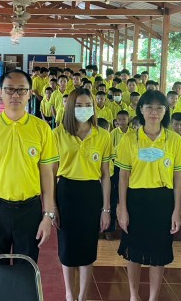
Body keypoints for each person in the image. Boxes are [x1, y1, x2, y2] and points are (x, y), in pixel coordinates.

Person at [0, 70, 59, 264]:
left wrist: (48, 215)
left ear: (29, 93)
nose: (15, 95)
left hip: (30, 210)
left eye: (21, 90)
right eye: (9, 89)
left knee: (26, 269)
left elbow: (47, 175)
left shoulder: (42, 129)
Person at [115, 89, 181, 301]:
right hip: (136, 201)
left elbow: (179, 179)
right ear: (141, 110)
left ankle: (153, 297)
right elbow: (123, 178)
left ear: (166, 111)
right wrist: (122, 208)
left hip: (163, 202)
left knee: (158, 255)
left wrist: (177, 211)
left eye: (159, 107)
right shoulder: (129, 139)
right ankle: (134, 294)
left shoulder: (174, 140)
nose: (154, 112)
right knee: (133, 253)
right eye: (149, 107)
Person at [53, 88, 112, 301]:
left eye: (88, 105)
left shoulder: (103, 135)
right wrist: (52, 207)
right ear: (70, 108)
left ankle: (83, 295)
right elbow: (51, 174)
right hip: (66, 193)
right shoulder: (58, 133)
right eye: (78, 106)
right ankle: (70, 294)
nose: (84, 109)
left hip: (91, 194)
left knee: (88, 247)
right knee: (67, 246)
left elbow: (106, 176)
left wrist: (106, 209)